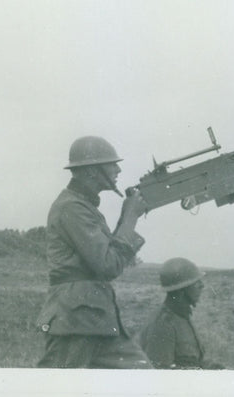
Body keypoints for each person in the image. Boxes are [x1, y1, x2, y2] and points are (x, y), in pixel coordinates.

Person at [35, 136, 151, 369]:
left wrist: (127, 218)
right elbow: (108, 265)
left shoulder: (83, 206)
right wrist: (130, 219)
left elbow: (112, 258)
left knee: (142, 374)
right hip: (76, 320)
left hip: (95, 320)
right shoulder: (72, 207)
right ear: (90, 171)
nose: (118, 169)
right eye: (111, 164)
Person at [137, 257, 224, 369]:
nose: (202, 286)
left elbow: (190, 361)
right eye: (196, 282)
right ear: (182, 290)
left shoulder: (181, 315)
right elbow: (160, 374)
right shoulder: (164, 324)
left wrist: (207, 367)